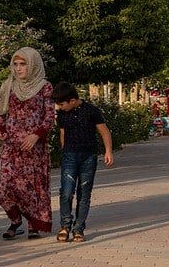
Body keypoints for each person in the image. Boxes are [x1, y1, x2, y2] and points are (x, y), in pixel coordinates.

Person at [0, 47, 54, 240]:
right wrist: (1, 130)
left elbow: (50, 116)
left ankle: (32, 224)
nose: (18, 69)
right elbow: (0, 112)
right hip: (11, 146)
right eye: (16, 64)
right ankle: (15, 218)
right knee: (6, 187)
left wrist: (36, 135)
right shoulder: (8, 85)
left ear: (33, 64)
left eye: (23, 64)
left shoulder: (44, 86)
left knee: (31, 187)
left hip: (33, 146)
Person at [53, 81, 114, 244]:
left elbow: (104, 131)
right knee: (66, 192)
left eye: (61, 104)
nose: (59, 107)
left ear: (72, 100)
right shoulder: (63, 114)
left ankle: (79, 228)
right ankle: (65, 226)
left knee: (84, 194)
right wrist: (64, 150)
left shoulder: (92, 111)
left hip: (88, 157)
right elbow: (63, 133)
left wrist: (108, 151)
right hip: (69, 157)